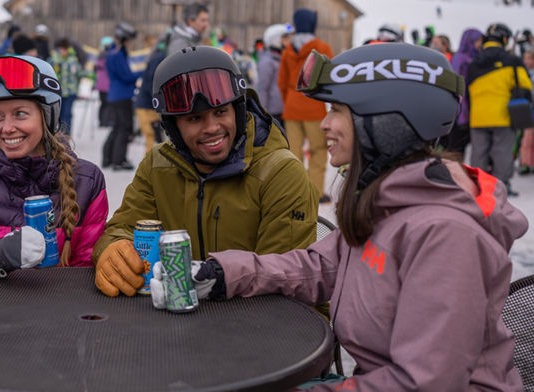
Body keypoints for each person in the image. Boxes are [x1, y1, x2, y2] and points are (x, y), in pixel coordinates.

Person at [160, 43, 525, 390]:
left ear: (384, 120)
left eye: (337, 110)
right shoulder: (387, 204)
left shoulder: (444, 235)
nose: (324, 125)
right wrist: (224, 274)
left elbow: (425, 384)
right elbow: (317, 267)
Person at [93, 45, 318, 297]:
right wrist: (112, 249)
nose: (212, 127)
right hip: (175, 319)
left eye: (221, 112)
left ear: (238, 111)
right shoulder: (158, 165)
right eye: (194, 119)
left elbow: (282, 282)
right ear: (174, 128)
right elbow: (123, 227)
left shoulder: (280, 174)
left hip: (260, 324)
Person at [0, 55, 108, 277]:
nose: (7, 127)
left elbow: (86, 271)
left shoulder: (86, 181)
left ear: (46, 116)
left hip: (59, 308)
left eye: (20, 114)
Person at [467, 22, 531, 197]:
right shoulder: (512, 60)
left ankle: (478, 186)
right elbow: (526, 85)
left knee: (478, 152)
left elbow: (466, 91)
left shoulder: (473, 63)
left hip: (478, 116)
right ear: (504, 39)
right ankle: (500, 187)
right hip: (503, 115)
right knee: (501, 151)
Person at [278, 8, 334, 203]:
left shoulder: (287, 51)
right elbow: (329, 78)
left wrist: (290, 102)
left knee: (294, 152)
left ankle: (296, 193)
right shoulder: (322, 47)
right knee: (318, 150)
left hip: (292, 107)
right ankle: (316, 192)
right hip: (314, 107)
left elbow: (282, 82)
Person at [102, 21, 141, 171]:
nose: (130, 44)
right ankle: (118, 160)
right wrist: (143, 71)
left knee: (117, 127)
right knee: (124, 128)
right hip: (122, 95)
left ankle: (108, 157)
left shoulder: (113, 53)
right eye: (129, 40)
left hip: (116, 94)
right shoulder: (117, 54)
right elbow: (126, 76)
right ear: (124, 40)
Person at [439, 27, 482, 156]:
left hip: (471, 109)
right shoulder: (460, 59)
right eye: (478, 40)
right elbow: (457, 87)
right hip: (460, 112)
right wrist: (462, 115)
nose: (480, 44)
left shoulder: (476, 57)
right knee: (456, 150)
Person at [134, 34, 167, 153]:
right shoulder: (159, 57)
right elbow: (151, 82)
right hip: (147, 106)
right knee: (152, 138)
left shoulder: (159, 56)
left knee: (154, 139)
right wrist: (158, 101)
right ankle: (150, 168)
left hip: (149, 104)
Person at [257, 23, 294, 124]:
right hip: (274, 113)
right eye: (285, 39)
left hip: (284, 110)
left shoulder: (283, 59)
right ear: (276, 40)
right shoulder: (267, 61)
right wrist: (263, 115)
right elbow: (263, 89)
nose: (288, 42)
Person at [50, 37, 85, 134]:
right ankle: (58, 133)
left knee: (68, 114)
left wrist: (89, 74)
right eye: (62, 49)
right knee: (59, 114)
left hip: (70, 92)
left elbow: (79, 72)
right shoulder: (54, 60)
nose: (64, 51)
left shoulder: (72, 60)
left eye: (65, 49)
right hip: (58, 92)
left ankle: (67, 134)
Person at [94, 35, 115, 127]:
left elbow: (95, 71)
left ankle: (102, 121)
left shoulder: (99, 58)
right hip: (108, 85)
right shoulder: (111, 57)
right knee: (109, 104)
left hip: (100, 85)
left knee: (103, 104)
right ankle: (107, 121)